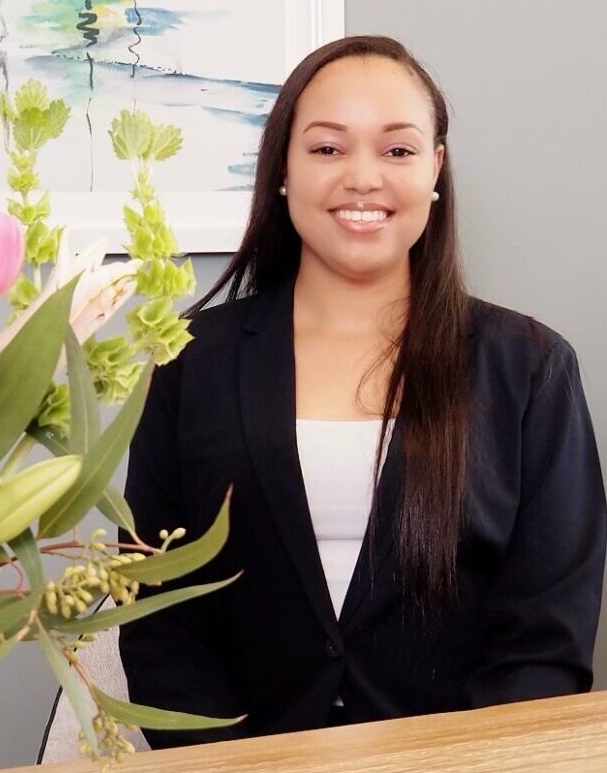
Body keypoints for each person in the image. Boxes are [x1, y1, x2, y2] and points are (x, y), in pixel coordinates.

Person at [118, 35, 607, 749]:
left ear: (435, 169)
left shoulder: (529, 368)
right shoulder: (190, 361)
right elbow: (157, 610)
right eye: (326, 149)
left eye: (397, 150)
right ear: (281, 168)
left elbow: (546, 637)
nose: (361, 178)